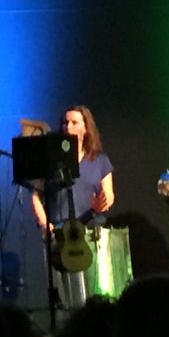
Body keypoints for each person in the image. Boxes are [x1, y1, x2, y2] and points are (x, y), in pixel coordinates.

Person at [30, 106, 115, 308]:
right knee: (63, 294)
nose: (68, 127)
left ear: (86, 128)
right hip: (58, 233)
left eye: (74, 122)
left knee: (92, 289)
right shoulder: (51, 161)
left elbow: (109, 194)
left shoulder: (99, 160)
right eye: (65, 123)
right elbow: (35, 195)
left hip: (90, 230)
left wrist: (101, 202)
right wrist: (45, 224)